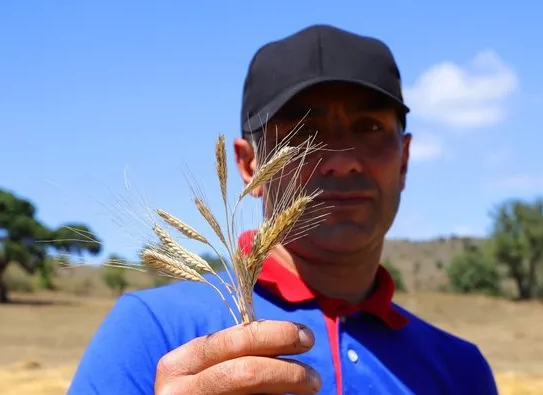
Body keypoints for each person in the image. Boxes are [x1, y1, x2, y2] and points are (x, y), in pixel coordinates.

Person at [67, 24, 499, 395]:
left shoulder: (461, 370)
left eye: (369, 127)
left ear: (404, 159)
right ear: (247, 164)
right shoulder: (152, 332)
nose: (343, 159)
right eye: (305, 133)